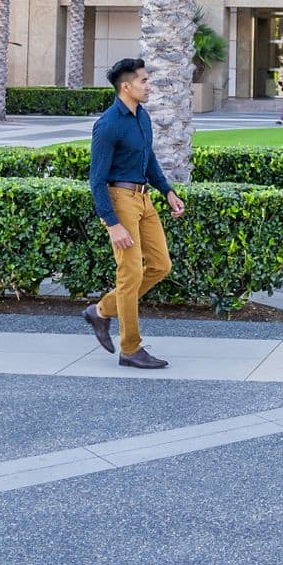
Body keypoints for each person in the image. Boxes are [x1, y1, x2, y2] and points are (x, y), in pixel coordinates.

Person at [80, 58, 185, 370]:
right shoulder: (109, 124)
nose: (148, 85)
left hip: (144, 199)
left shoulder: (143, 116)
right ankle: (130, 348)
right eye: (143, 81)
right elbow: (96, 181)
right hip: (119, 199)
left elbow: (148, 158)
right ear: (125, 86)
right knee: (131, 274)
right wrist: (112, 223)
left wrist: (166, 190)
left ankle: (100, 311)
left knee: (160, 265)